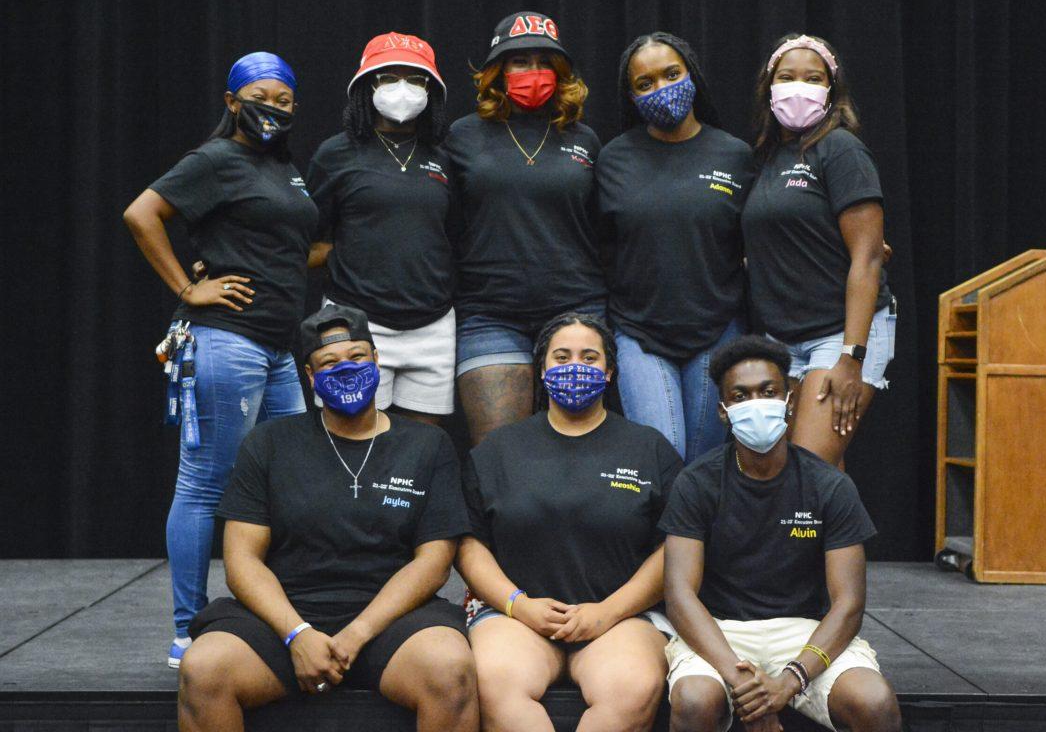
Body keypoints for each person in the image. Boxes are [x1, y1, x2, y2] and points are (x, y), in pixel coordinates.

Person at [177, 305, 477, 732]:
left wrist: (357, 634)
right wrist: (297, 634)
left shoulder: (427, 445)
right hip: (284, 616)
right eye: (330, 363)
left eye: (357, 357)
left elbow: (433, 562)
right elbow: (241, 561)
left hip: (393, 620)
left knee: (451, 669)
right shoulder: (268, 444)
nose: (347, 369)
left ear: (377, 360)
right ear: (310, 376)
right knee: (203, 669)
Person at [123, 52, 316, 667]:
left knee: (285, 481)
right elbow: (141, 213)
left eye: (285, 100)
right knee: (206, 483)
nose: (275, 108)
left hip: (281, 346)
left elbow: (288, 248)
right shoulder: (215, 160)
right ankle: (187, 629)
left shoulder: (284, 169)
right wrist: (188, 287)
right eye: (262, 96)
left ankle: (272, 612)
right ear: (233, 101)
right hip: (227, 339)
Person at [660, 335, 901, 732]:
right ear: (723, 411)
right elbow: (680, 596)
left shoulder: (829, 485)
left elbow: (849, 604)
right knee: (694, 700)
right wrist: (742, 683)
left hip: (805, 630)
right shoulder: (696, 483)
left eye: (768, 391)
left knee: (874, 702)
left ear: (790, 400)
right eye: (741, 396)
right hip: (720, 631)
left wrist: (788, 682)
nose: (756, 403)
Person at [456, 312, 682, 732]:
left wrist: (607, 612)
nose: (574, 367)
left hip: (620, 619)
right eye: (561, 357)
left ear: (610, 372)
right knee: (493, 682)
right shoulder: (497, 450)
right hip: (514, 616)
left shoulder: (649, 448)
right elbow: (469, 545)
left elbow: (674, 547)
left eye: (589, 357)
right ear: (541, 370)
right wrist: (518, 605)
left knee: (633, 687)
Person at [443, 11, 606, 446]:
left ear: (560, 72)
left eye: (543, 61)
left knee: (580, 449)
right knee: (500, 456)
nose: (533, 72)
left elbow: (603, 225)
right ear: (498, 71)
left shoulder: (585, 138)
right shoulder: (462, 136)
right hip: (489, 311)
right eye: (520, 61)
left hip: (577, 307)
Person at [596, 31, 753, 464]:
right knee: (662, 459)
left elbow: (769, 230)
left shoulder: (734, 155)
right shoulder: (612, 159)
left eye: (671, 74)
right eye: (645, 84)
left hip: (717, 328)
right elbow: (596, 244)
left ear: (693, 75)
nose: (661, 90)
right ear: (630, 95)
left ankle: (693, 537)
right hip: (640, 332)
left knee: (704, 465)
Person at [742, 34, 896, 469]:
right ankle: (837, 539)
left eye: (813, 78)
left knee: (805, 471)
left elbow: (867, 257)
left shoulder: (841, 149)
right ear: (769, 88)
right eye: (787, 77)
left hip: (840, 336)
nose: (798, 86)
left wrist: (852, 358)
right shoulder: (767, 157)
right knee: (806, 482)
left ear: (832, 90)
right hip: (782, 340)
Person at [307, 32, 456, 425]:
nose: (402, 89)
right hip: (356, 323)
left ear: (433, 91)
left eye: (415, 79)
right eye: (388, 77)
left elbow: (458, 235)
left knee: (419, 455)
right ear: (364, 86)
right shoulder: (335, 154)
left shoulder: (447, 156)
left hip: (434, 323)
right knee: (351, 449)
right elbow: (309, 239)